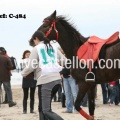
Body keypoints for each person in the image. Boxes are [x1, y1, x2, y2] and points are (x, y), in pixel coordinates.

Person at [21, 31, 66, 120]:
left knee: (46, 110)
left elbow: (31, 66)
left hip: (45, 81)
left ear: (36, 39)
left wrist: (23, 73)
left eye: (34, 41)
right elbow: (64, 61)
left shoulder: (36, 48)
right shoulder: (53, 47)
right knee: (41, 107)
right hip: (57, 81)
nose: (34, 43)